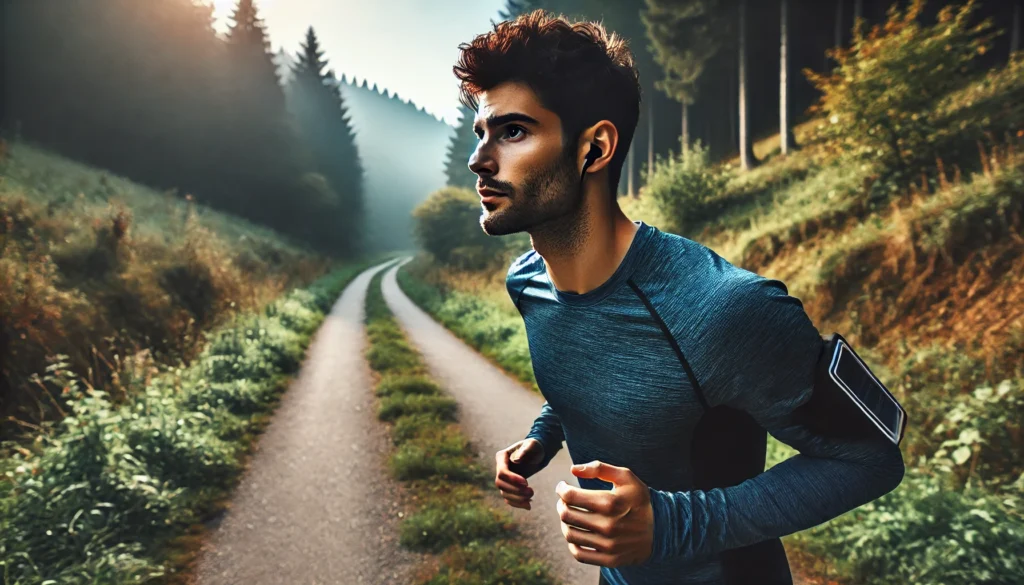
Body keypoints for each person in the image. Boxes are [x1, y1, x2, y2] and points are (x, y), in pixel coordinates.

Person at [452, 9, 906, 585]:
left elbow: (870, 460)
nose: (479, 159)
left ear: (594, 148)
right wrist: (543, 438)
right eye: (481, 133)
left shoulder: (724, 310)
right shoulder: (528, 282)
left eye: (513, 131)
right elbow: (597, 366)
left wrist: (670, 525)